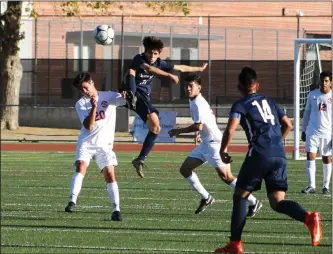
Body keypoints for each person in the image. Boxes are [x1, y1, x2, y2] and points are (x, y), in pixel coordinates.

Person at [215, 67, 322, 253]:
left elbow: (231, 129)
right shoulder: (270, 101)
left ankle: (235, 244)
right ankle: (308, 217)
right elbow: (288, 125)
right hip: (279, 156)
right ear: (257, 85)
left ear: (239, 86)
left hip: (258, 154)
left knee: (240, 195)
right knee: (277, 202)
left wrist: (223, 150)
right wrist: (277, 142)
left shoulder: (241, 104)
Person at [168, 74, 262, 217]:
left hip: (215, 144)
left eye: (191, 86)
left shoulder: (198, 103)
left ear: (199, 87)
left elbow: (198, 126)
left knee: (227, 177)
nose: (188, 88)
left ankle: (253, 201)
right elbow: (204, 124)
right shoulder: (194, 101)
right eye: (186, 86)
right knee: (185, 169)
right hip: (206, 143)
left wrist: (177, 131)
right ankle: (206, 197)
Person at [124, 36, 208, 178]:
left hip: (144, 98)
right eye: (150, 53)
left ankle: (140, 159)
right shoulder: (139, 59)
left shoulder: (159, 62)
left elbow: (181, 68)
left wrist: (199, 68)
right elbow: (149, 69)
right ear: (145, 51)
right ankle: (130, 95)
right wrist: (169, 76)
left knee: (156, 128)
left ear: (159, 54)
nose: (152, 56)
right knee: (131, 71)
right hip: (138, 94)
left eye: (155, 54)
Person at [64, 72, 126, 221]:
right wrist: (93, 107)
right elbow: (89, 126)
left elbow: (124, 100)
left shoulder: (108, 96)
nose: (84, 91)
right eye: (81, 90)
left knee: (110, 173)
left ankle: (116, 210)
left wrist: (126, 95)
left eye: (85, 87)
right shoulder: (80, 104)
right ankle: (72, 201)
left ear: (91, 83)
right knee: (81, 166)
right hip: (86, 142)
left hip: (104, 144)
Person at [301, 71, 332, 195]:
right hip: (312, 132)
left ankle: (326, 186)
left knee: (327, 159)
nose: (323, 83)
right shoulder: (312, 95)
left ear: (331, 82)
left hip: (327, 133)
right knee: (310, 156)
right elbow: (307, 112)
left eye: (326, 81)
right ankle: (311, 186)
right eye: (322, 80)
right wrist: (304, 130)